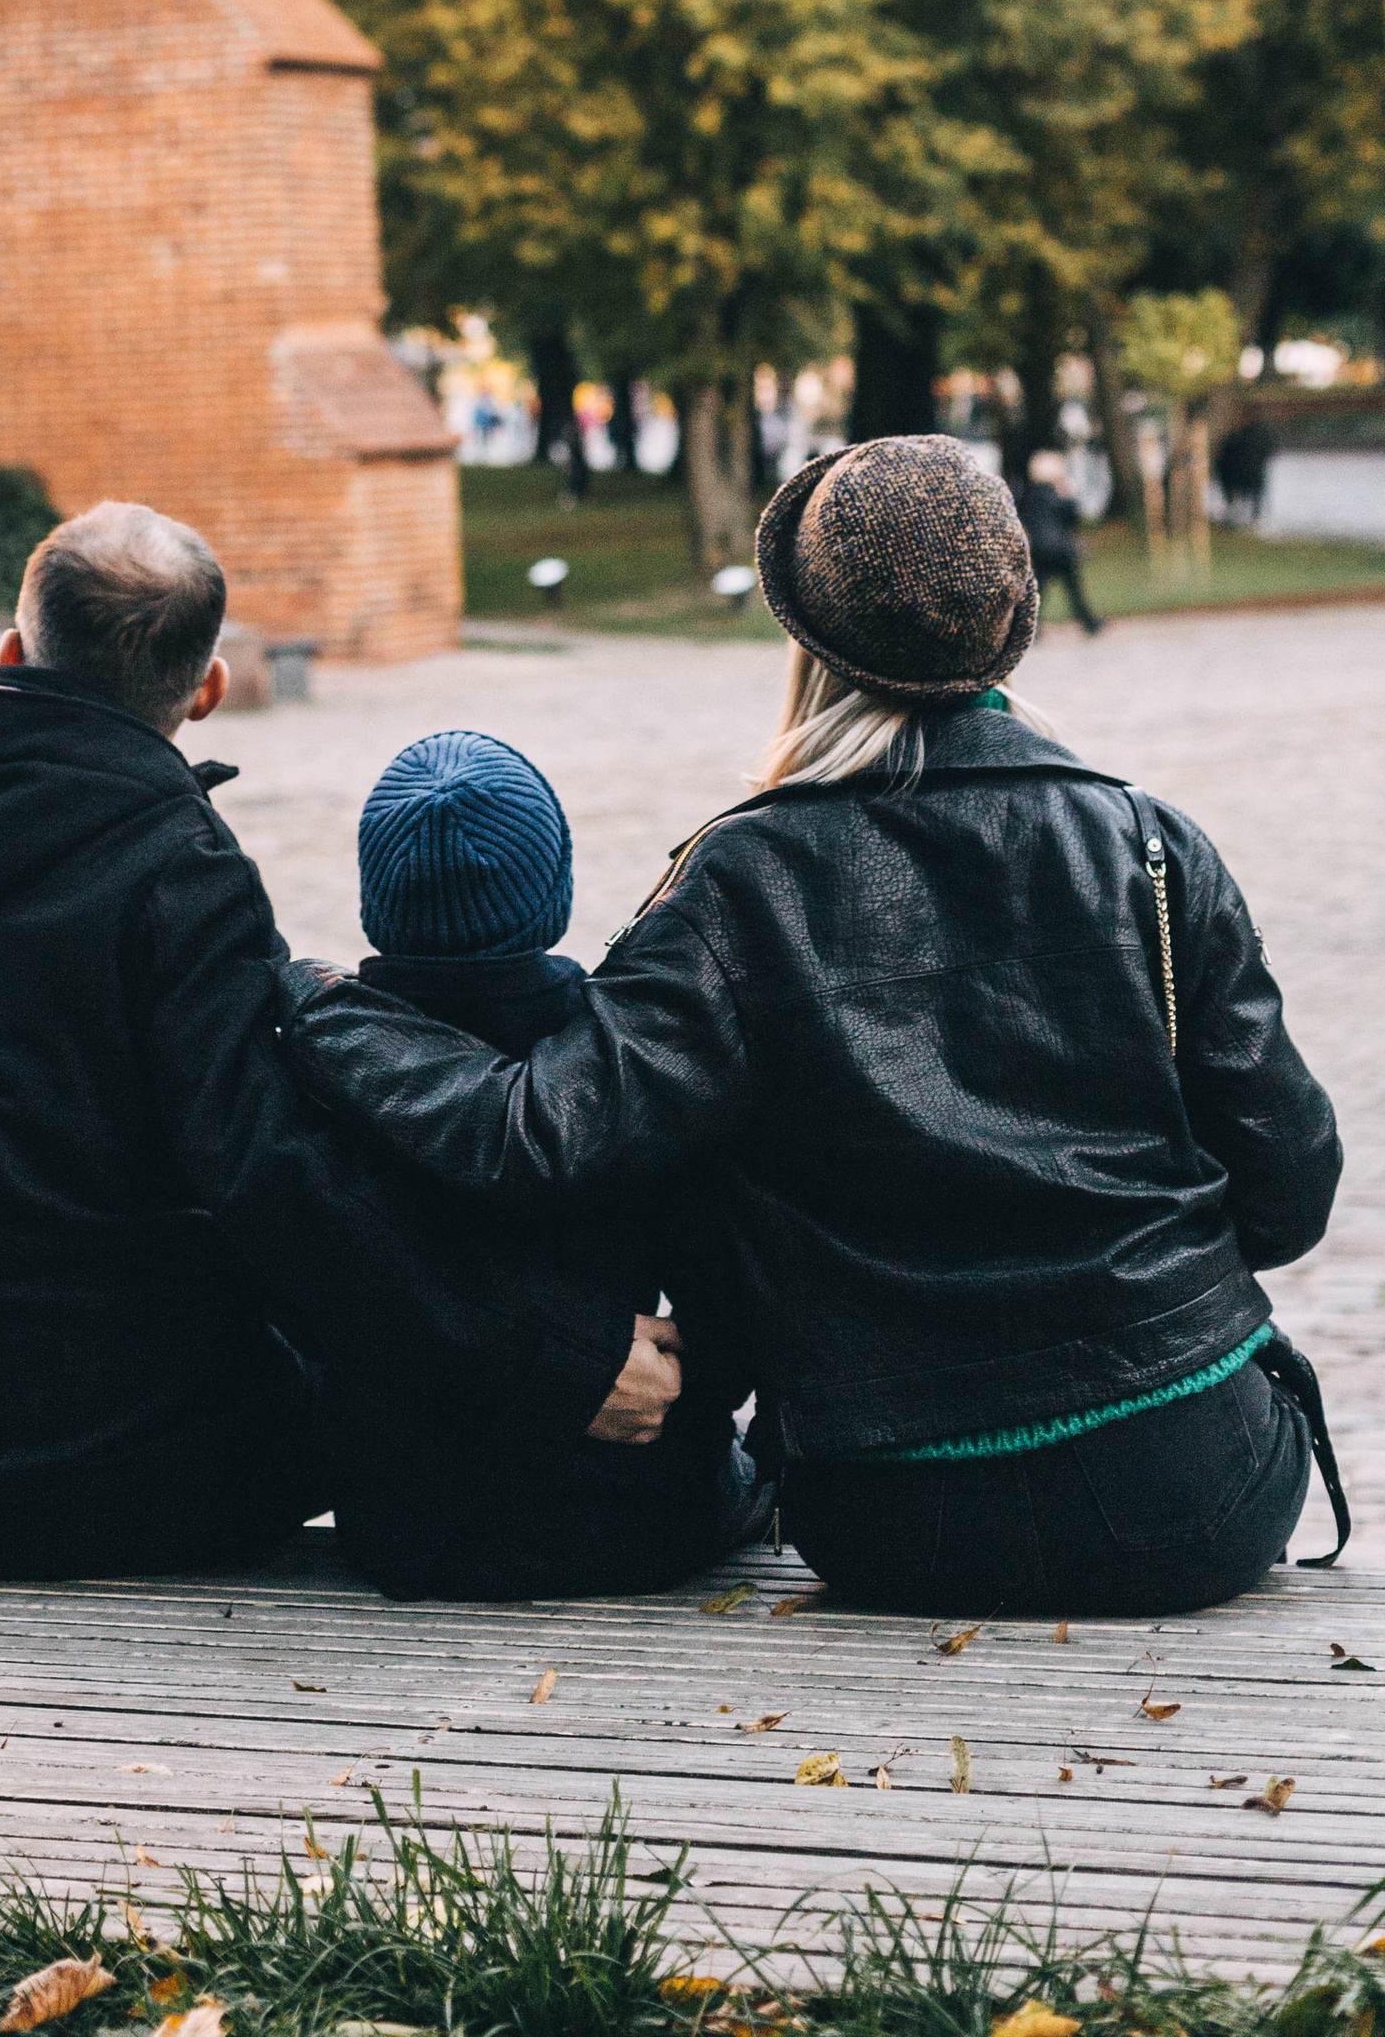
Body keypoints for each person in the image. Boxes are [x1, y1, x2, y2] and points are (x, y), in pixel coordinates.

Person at [278, 436, 1344, 1618]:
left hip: (893, 1513)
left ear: (809, 645)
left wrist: (314, 1002)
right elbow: (1290, 1194)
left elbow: (532, 1132)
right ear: (1012, 625)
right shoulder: (1150, 848)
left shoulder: (739, 883)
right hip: (1198, 1486)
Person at [0, 500, 671, 1578]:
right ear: (208, 687)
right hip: (86, 1474)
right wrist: (553, 1363)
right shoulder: (172, 875)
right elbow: (279, 1182)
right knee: (394, 1404)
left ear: (6, 653)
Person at [322, 726, 763, 1598]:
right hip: (636, 1522)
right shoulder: (627, 1057)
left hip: (408, 1528)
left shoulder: (319, 1061)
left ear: (376, 901)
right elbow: (729, 1308)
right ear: (553, 892)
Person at [1018, 449, 1103, 638]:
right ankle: (1089, 624)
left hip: (1041, 549)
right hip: (1060, 549)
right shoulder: (1057, 495)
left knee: (1039, 592)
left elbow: (1027, 519)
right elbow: (1072, 517)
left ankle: (1030, 626)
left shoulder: (1030, 497)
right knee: (1073, 588)